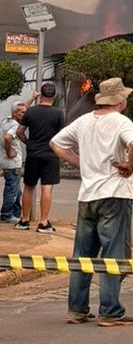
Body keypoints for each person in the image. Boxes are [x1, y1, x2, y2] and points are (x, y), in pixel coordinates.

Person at [50, 77, 133, 327]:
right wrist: (130, 165)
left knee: (82, 254)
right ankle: (110, 310)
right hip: (115, 195)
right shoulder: (122, 122)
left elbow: (55, 143)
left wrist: (80, 163)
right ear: (119, 100)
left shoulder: (84, 121)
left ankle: (77, 309)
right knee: (113, 254)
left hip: (87, 195)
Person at [15, 82, 65, 233]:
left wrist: (29, 143)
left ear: (41, 95)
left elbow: (19, 132)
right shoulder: (58, 114)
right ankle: (43, 222)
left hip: (33, 154)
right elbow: (63, 136)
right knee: (47, 188)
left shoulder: (31, 112)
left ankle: (24, 220)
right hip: (50, 154)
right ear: (54, 96)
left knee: (29, 187)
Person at [0, 100, 28, 222]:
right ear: (16, 114)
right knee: (12, 189)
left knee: (16, 189)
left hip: (5, 162)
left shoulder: (5, 120)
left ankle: (16, 213)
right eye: (22, 113)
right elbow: (7, 138)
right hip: (12, 163)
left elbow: (20, 106)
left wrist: (32, 98)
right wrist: (9, 151)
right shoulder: (15, 126)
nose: (25, 115)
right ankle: (6, 214)